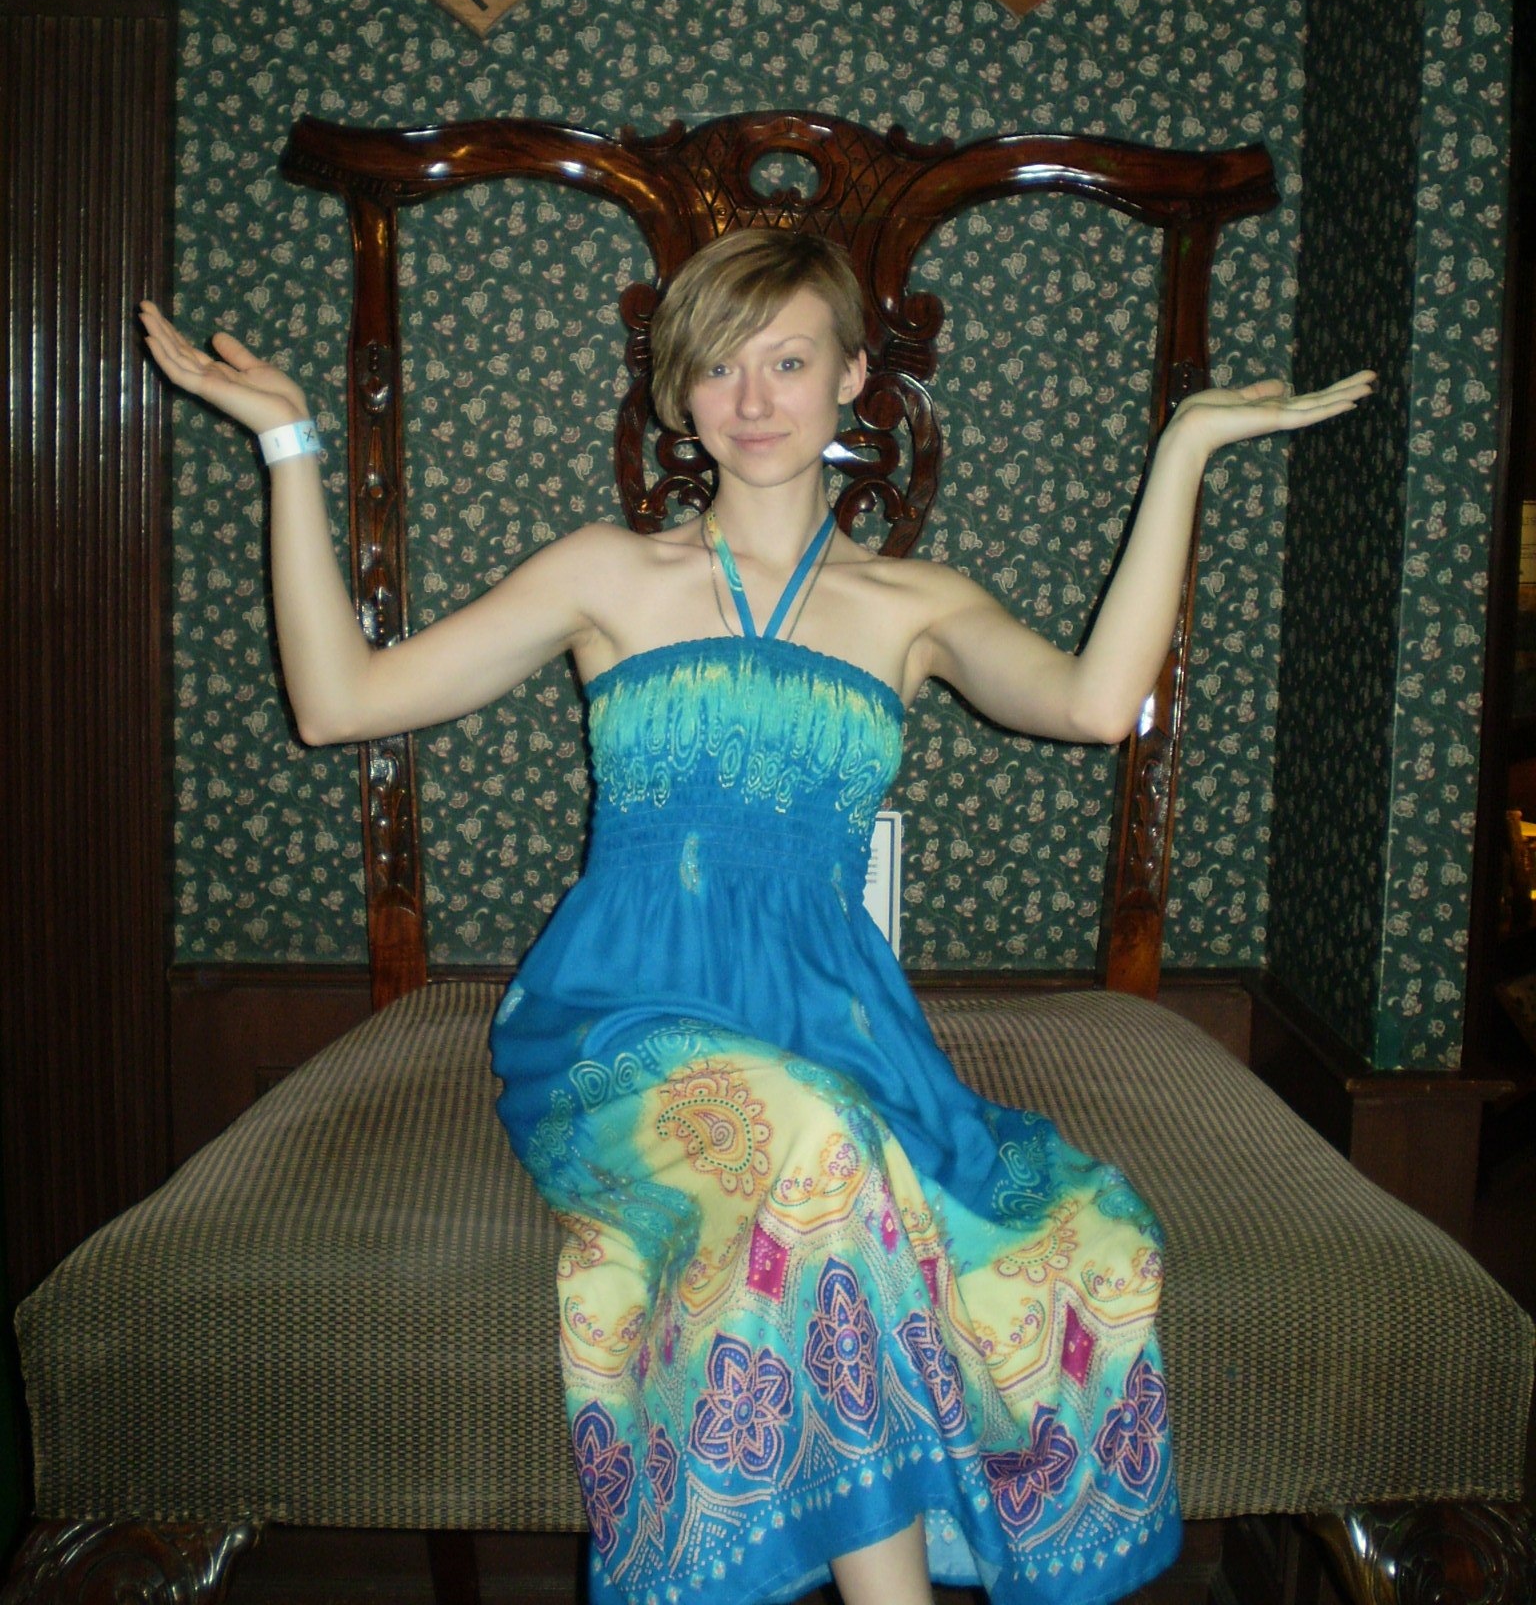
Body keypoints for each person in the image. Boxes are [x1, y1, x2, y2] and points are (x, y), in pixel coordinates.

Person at [139, 232, 1370, 1605]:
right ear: (679, 392)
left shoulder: (916, 605)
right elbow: (339, 703)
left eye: (788, 361)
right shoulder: (606, 574)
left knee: (1017, 1215)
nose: (753, 397)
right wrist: (289, 444)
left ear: (853, 377)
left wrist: (1183, 454)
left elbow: (1093, 705)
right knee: (812, 1146)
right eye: (719, 366)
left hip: (833, 1028)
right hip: (620, 1020)